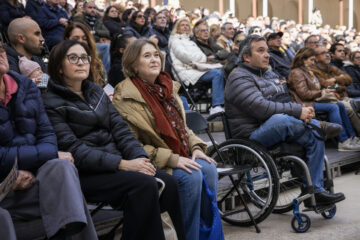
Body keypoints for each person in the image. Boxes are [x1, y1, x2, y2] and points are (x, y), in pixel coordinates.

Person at [42, 40, 185, 240]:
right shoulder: (50, 102)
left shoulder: (96, 92)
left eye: (84, 57)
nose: (81, 62)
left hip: (116, 165)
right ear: (58, 66)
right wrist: (123, 164)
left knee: (168, 183)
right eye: (73, 58)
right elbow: (74, 149)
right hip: (85, 173)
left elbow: (122, 132)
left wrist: (141, 159)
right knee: (143, 185)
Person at [112, 38, 220, 240]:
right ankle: (187, 235)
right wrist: (171, 159)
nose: (154, 59)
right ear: (133, 65)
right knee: (191, 176)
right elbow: (131, 144)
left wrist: (196, 147)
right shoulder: (124, 96)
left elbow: (183, 127)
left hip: (179, 154)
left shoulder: (167, 87)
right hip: (151, 162)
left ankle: (205, 234)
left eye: (156, 55)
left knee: (209, 168)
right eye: (146, 56)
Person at [225, 35, 345, 207]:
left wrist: (302, 111)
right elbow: (261, 108)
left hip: (272, 127)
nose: (267, 55)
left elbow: (283, 99)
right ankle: (318, 126)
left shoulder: (268, 73)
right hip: (250, 137)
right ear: (246, 57)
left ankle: (315, 191)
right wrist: (298, 111)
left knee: (315, 136)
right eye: (260, 51)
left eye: (267, 50)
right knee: (283, 119)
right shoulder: (238, 77)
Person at [0, 40, 97, 240]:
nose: (0, 54)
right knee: (61, 170)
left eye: (0, 49)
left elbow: (47, 134)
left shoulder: (24, 85)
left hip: (33, 176)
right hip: (3, 184)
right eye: (73, 58)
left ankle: (70, 230)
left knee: (61, 168)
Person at [288, 48, 360, 151]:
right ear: (303, 59)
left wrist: (334, 83)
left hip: (316, 99)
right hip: (305, 104)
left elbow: (348, 79)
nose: (314, 63)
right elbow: (304, 94)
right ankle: (343, 141)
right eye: (312, 60)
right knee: (333, 107)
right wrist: (323, 91)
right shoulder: (298, 72)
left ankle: (352, 137)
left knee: (340, 105)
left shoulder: (312, 71)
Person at [169, 17, 226, 115]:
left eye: (187, 25)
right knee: (217, 74)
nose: (186, 27)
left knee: (224, 70)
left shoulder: (190, 41)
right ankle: (216, 106)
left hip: (195, 69)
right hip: (186, 72)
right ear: (177, 28)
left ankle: (222, 104)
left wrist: (198, 59)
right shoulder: (175, 40)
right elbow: (184, 56)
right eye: (183, 25)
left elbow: (200, 56)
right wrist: (200, 59)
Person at [311, 46, 360, 135]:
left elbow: (349, 79)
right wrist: (340, 83)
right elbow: (325, 85)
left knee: (355, 103)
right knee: (349, 107)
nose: (327, 55)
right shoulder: (314, 70)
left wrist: (334, 80)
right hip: (331, 99)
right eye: (323, 53)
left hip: (342, 97)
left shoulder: (332, 68)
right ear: (316, 58)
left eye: (328, 53)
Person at [63, 21, 106, 87]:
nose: (80, 41)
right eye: (75, 38)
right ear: (66, 39)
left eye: (84, 38)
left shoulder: (96, 62)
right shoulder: (62, 61)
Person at [72, 1, 111, 72]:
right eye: (90, 7)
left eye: (94, 8)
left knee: (108, 47)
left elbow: (107, 33)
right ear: (83, 9)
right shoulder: (78, 19)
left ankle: (104, 73)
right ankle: (103, 73)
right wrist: (96, 35)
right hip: (84, 44)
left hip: (97, 44)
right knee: (106, 47)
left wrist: (95, 32)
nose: (93, 10)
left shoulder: (97, 20)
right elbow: (83, 33)